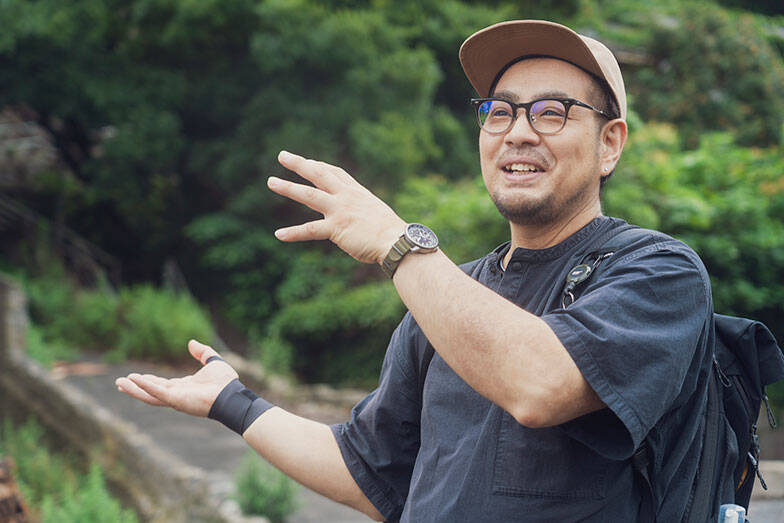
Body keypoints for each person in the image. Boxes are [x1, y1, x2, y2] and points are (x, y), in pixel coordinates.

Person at [116, 20, 715, 521]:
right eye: (499, 112)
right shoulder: (447, 295)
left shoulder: (658, 273)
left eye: (552, 112)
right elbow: (368, 473)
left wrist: (397, 243)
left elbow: (541, 384)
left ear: (610, 144)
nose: (518, 132)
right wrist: (233, 402)